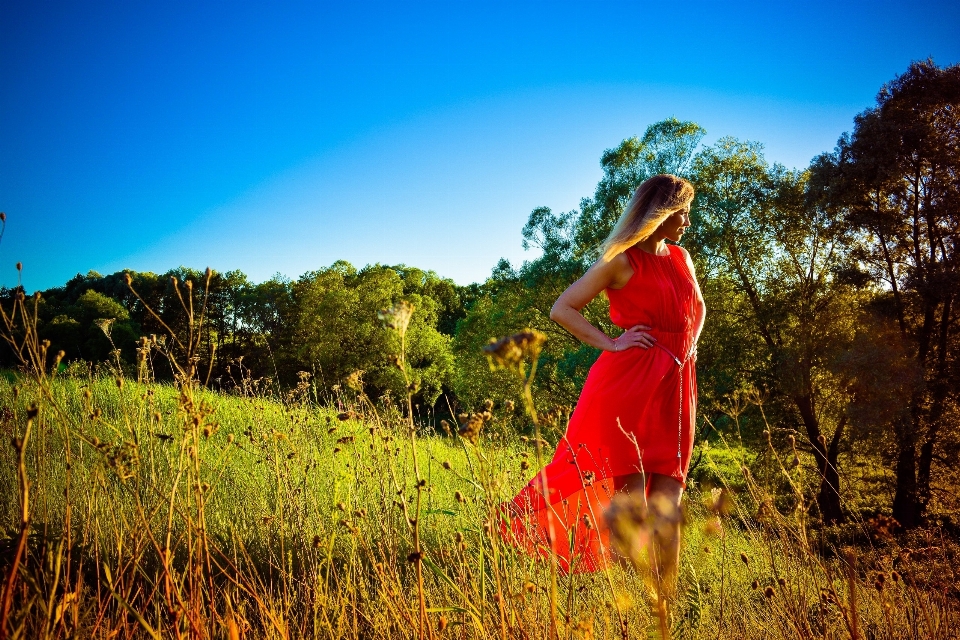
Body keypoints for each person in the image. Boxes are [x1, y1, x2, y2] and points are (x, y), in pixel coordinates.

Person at [500, 174, 705, 589]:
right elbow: (563, 308)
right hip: (628, 384)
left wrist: (688, 347)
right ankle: (628, 597)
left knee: (671, 487)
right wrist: (612, 344)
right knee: (629, 491)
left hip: (678, 383)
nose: (687, 219)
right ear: (660, 212)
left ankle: (666, 596)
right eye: (682, 210)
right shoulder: (622, 260)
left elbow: (698, 308)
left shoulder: (682, 258)